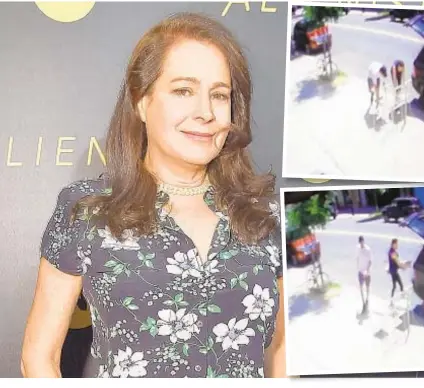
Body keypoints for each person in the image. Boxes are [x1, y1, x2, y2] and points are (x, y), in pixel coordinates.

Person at [21, 13, 285, 379]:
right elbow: (39, 358)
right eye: (183, 91)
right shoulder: (86, 209)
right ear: (142, 101)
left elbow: (281, 348)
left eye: (220, 95)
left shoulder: (266, 215)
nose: (205, 112)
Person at [388, 239, 410, 307]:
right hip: (393, 271)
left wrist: (403, 265)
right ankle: (399, 301)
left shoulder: (393, 251)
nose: (397, 245)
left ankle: (392, 301)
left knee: (395, 286)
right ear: (393, 244)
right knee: (400, 285)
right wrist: (404, 266)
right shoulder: (392, 252)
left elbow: (397, 262)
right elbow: (397, 262)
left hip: (393, 270)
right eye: (396, 244)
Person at [356, 236, 373, 314]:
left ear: (364, 241)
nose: (361, 243)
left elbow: (370, 261)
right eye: (360, 242)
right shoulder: (357, 248)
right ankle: (363, 302)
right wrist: (358, 267)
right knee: (361, 286)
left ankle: (367, 298)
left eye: (362, 242)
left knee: (367, 286)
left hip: (367, 271)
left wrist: (367, 271)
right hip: (360, 271)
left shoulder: (368, 249)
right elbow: (357, 258)